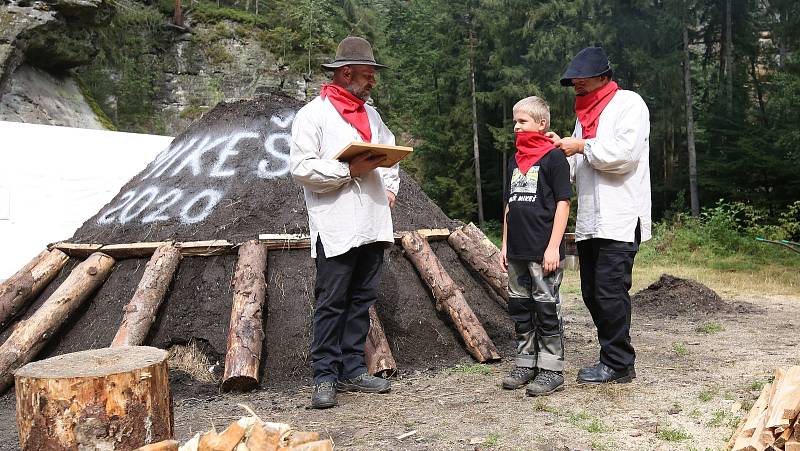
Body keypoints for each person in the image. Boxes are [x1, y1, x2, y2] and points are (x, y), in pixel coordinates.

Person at [290, 36, 399, 409]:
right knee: (332, 301)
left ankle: (353, 368)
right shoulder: (313, 116)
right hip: (335, 223)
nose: (373, 82)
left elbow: (391, 153)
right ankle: (325, 375)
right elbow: (302, 167)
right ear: (347, 73)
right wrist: (347, 169)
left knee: (361, 298)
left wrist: (390, 189)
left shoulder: (373, 117)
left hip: (372, 219)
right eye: (368, 76)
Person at [551, 47, 651, 384]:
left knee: (610, 292)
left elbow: (624, 155)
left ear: (603, 77)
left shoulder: (629, 104)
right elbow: (579, 165)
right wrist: (560, 152)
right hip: (592, 219)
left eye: (582, 81)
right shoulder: (584, 116)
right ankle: (612, 355)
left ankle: (620, 363)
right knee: (593, 292)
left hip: (621, 216)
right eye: (574, 83)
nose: (576, 86)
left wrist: (580, 147)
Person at [500, 96, 572, 396]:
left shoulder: (554, 158)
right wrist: (504, 245)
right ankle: (526, 362)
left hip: (543, 251)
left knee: (545, 307)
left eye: (523, 121)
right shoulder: (514, 160)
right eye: (515, 121)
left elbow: (563, 203)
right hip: (516, 249)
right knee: (520, 307)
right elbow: (508, 205)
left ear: (542, 124)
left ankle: (551, 368)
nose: (516, 126)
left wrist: (554, 246)